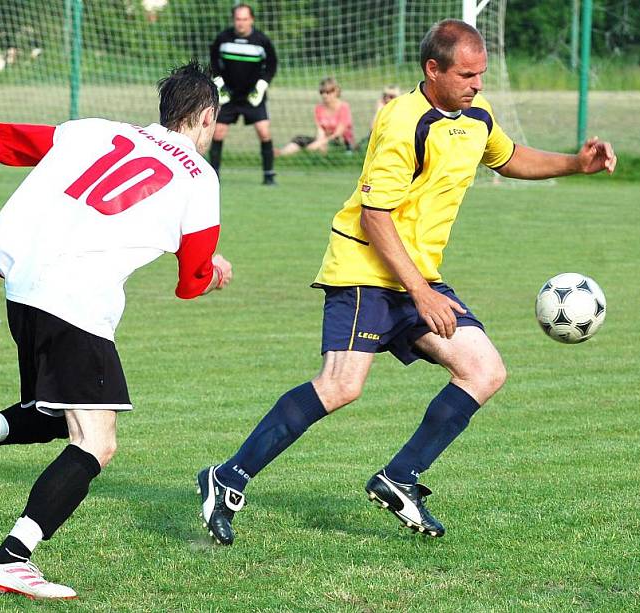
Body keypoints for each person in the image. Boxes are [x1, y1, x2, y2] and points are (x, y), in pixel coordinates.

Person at [197, 19, 616, 546]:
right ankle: (227, 477)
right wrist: (422, 292)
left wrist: (576, 164)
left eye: (481, 74)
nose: (477, 84)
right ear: (432, 70)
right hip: (364, 270)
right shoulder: (402, 122)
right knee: (341, 386)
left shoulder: (476, 117)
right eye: (466, 74)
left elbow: (509, 159)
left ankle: (400, 477)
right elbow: (375, 215)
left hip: (417, 275)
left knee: (484, 370)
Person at [0, 60, 232, 599]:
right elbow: (191, 282)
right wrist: (212, 270)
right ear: (204, 116)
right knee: (96, 442)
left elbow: (3, 140)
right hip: (75, 300)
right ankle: (10, 559)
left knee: (56, 413)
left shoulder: (98, 130)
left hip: (24, 287)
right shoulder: (200, 177)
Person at [209, 3, 278, 184]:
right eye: (238, 19)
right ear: (234, 20)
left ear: (251, 20)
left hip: (252, 95)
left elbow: (272, 65)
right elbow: (213, 62)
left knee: (264, 131)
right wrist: (219, 84)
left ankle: (269, 175)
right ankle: (214, 176)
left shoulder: (262, 40)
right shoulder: (223, 38)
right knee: (218, 132)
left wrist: (261, 85)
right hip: (229, 95)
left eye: (245, 19)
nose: (241, 23)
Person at [277, 77, 355, 157]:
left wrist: (321, 143)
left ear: (335, 92)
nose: (324, 95)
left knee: (317, 146)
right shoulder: (319, 108)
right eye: (322, 92)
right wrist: (319, 141)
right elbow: (320, 129)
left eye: (328, 92)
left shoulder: (344, 107)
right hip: (324, 139)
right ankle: (280, 153)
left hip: (340, 141)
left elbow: (338, 133)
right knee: (299, 139)